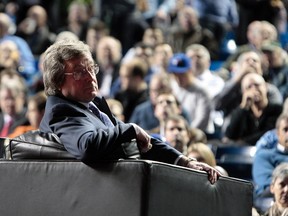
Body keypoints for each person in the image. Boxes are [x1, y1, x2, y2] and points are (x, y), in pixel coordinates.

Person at [39, 39, 220, 184]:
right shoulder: (61, 111)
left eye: (91, 68)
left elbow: (140, 141)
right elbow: (87, 146)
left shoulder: (90, 105)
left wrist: (185, 161)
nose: (90, 77)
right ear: (57, 81)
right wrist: (129, 129)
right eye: (79, 72)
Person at [223, 73, 282, 145]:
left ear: (266, 87)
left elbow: (270, 133)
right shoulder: (241, 112)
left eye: (257, 85)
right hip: (241, 153)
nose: (253, 89)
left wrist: (243, 142)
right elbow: (229, 136)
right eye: (249, 87)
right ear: (243, 92)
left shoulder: (277, 110)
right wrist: (243, 107)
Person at [167, 52, 212, 132]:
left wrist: (186, 133)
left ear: (190, 71)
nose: (178, 78)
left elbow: (202, 120)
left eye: (181, 74)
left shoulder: (202, 91)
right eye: (175, 74)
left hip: (199, 136)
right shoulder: (172, 87)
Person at [253, 113, 288, 209]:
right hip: (271, 203)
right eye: (285, 129)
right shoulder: (264, 156)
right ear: (277, 133)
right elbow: (268, 185)